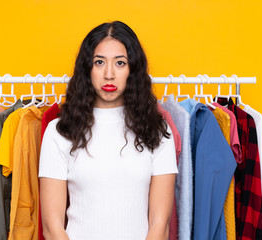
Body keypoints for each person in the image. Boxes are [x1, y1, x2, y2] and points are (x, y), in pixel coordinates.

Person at [39, 21, 178, 240]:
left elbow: (159, 226)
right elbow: (52, 227)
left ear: (133, 69)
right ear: (87, 68)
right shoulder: (58, 132)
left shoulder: (157, 132)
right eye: (99, 62)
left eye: (120, 63)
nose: (109, 74)